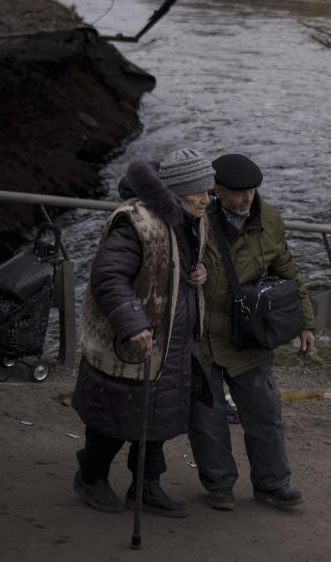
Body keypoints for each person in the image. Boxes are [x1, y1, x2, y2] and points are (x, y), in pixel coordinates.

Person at [71, 147, 216, 518]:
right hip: (133, 338)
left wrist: (201, 272)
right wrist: (132, 323)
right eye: (200, 191)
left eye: (209, 189)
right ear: (178, 190)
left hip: (173, 338)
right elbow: (108, 276)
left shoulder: (193, 216)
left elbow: (179, 263)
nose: (207, 197)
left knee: (159, 417)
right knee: (114, 417)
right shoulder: (136, 221)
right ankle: (91, 478)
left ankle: (147, 486)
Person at [188, 152, 316, 511]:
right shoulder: (196, 216)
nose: (248, 198)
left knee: (264, 411)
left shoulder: (269, 219)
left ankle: (273, 485)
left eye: (253, 191)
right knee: (206, 418)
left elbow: (289, 272)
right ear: (217, 189)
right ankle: (219, 485)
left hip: (250, 333)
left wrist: (306, 322)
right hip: (202, 334)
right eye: (240, 192)